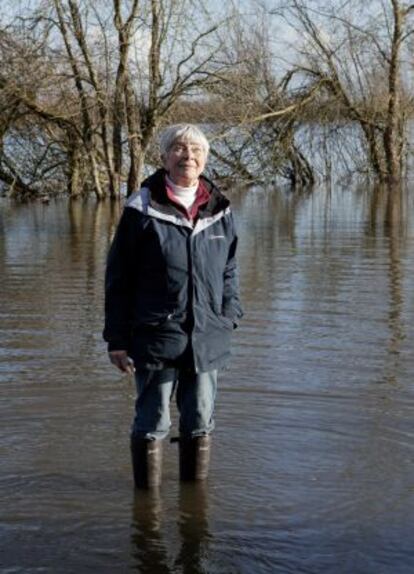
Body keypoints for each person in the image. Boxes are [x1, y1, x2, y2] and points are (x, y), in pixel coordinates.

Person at [103, 124, 243, 488]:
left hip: (208, 336)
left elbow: (229, 268)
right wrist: (117, 339)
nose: (188, 156)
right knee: (152, 422)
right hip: (155, 337)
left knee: (200, 421)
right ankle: (146, 514)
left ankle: (193, 509)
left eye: (196, 150)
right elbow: (118, 279)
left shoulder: (220, 210)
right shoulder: (141, 210)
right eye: (179, 148)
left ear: (205, 158)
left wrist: (229, 316)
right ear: (164, 157)